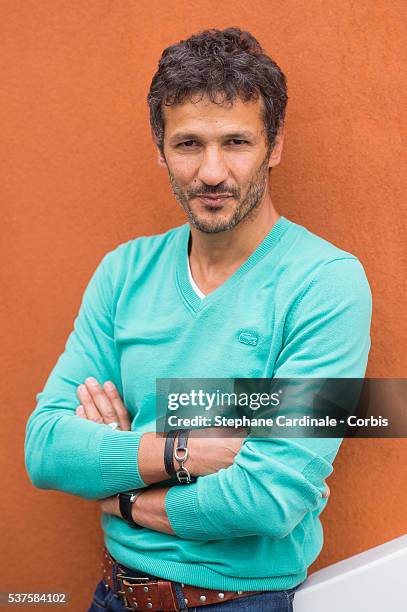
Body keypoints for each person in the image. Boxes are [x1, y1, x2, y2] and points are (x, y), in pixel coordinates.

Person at [25, 27, 372, 612]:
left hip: (238, 602)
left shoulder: (327, 284)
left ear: (275, 144)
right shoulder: (124, 271)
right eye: (188, 144)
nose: (212, 173)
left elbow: (268, 498)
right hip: (111, 595)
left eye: (236, 142)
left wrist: (123, 494)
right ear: (160, 147)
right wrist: (179, 451)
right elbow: (46, 448)